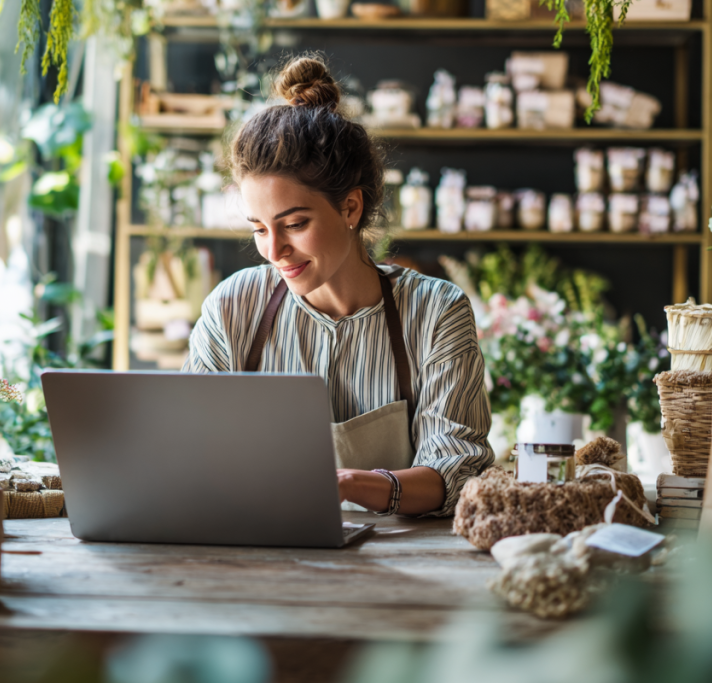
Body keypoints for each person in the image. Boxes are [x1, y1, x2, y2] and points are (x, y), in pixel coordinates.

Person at [183, 56, 494, 517]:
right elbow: (187, 447)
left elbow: (458, 471)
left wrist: (349, 484)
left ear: (350, 208)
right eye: (259, 228)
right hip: (258, 555)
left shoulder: (435, 311)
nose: (274, 250)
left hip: (400, 567)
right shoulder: (234, 306)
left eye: (294, 224)